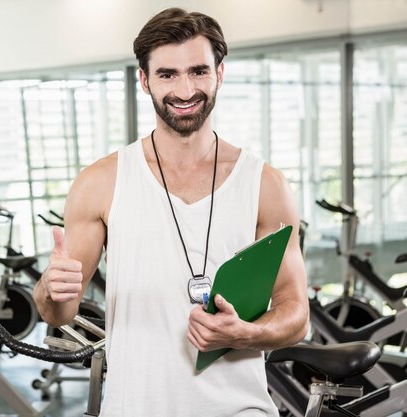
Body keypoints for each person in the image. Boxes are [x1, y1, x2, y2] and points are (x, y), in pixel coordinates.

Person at [33, 7, 309, 416]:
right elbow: (59, 311)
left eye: (198, 71)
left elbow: (297, 316)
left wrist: (248, 333)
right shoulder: (102, 182)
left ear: (220, 73)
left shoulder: (266, 185)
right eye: (167, 74)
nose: (185, 90)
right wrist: (50, 290)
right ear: (144, 80)